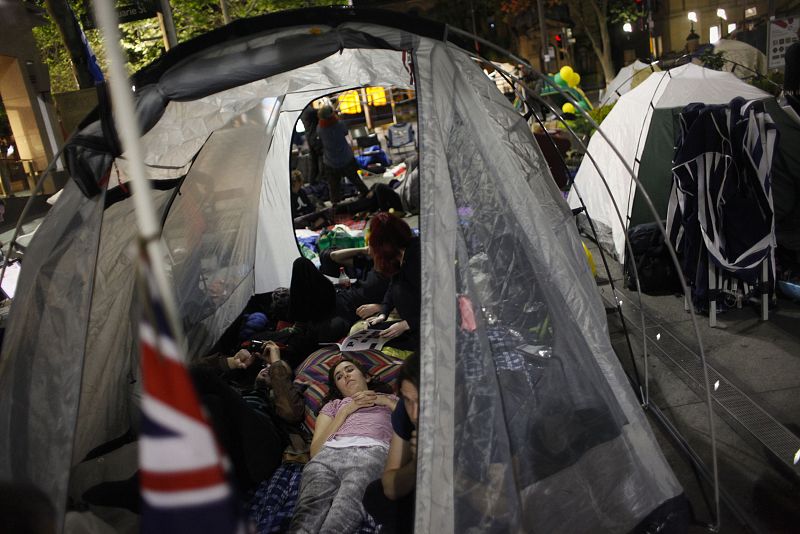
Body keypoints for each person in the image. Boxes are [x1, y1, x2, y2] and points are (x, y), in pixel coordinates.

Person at [288, 356, 397, 534]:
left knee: (343, 515)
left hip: (370, 453)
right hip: (327, 456)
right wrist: (346, 410)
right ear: (338, 388)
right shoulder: (335, 405)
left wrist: (385, 401)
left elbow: (411, 428)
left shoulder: (392, 400)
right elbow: (315, 451)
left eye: (349, 370)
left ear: (366, 377)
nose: (345, 376)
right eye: (339, 377)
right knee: (305, 515)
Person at [191, 340, 306, 490]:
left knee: (202, 375)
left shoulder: (284, 396)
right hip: (238, 458)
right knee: (211, 402)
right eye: (266, 367)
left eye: (274, 370)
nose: (268, 369)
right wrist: (231, 362)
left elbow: (291, 413)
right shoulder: (240, 389)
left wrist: (276, 361)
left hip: (263, 448)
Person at [363, 353, 419, 534]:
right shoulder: (404, 411)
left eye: (422, 401)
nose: (416, 414)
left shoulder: (479, 413)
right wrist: (418, 463)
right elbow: (389, 486)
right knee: (375, 493)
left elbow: (500, 504)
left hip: (464, 491)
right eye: (409, 401)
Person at [356, 213, 421, 351]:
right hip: (411, 323)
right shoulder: (399, 257)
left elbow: (438, 306)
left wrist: (406, 324)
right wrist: (383, 313)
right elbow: (392, 286)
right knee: (366, 332)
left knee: (372, 344)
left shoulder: (417, 259)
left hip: (426, 327)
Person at [317, 104, 369, 204]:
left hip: (330, 161)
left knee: (333, 187)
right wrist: (337, 117)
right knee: (356, 181)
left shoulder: (320, 128)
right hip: (345, 158)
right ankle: (367, 196)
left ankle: (335, 205)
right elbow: (345, 132)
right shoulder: (339, 124)